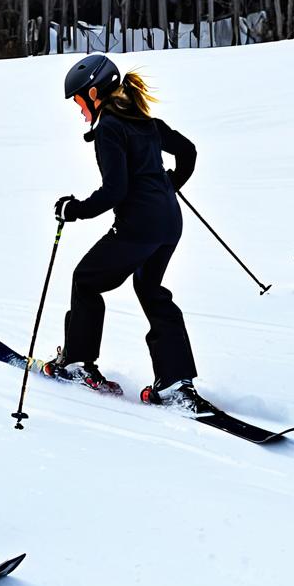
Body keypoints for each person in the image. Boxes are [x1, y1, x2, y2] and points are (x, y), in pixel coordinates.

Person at [47, 54, 212, 414]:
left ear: (93, 92)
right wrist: (169, 185)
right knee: (151, 290)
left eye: (77, 100)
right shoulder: (144, 120)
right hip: (169, 223)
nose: (79, 110)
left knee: (85, 280)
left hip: (138, 226)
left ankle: (77, 362)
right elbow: (188, 151)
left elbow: (115, 191)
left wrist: (73, 209)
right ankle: (175, 382)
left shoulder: (109, 127)